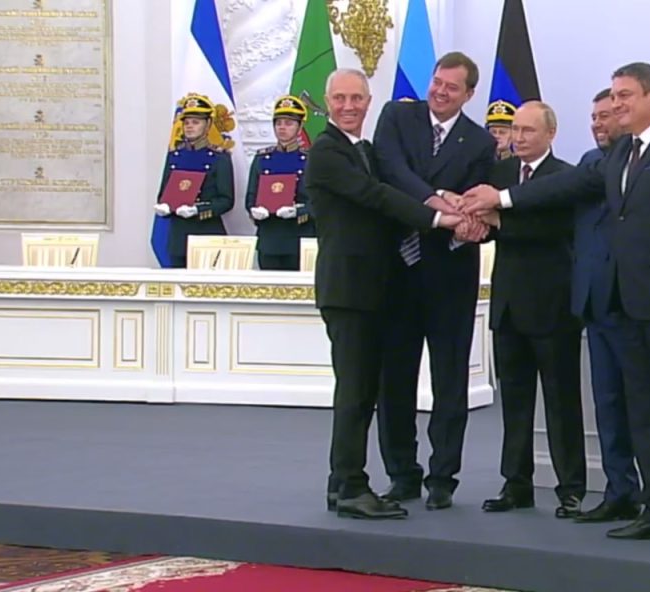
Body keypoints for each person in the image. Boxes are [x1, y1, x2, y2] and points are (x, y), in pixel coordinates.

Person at [460, 62, 650, 550]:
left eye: (625, 96)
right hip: (626, 305)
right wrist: (502, 197)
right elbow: (565, 187)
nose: (616, 104)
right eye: (614, 96)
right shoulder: (620, 152)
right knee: (643, 412)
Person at [304, 68, 462, 520]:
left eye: (357, 98)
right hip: (349, 290)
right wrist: (438, 217)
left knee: (362, 391)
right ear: (327, 102)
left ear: (369, 101)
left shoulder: (365, 151)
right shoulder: (327, 152)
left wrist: (446, 200)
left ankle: (340, 483)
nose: (349, 106)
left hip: (372, 290)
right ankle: (352, 486)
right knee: (355, 393)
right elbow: (375, 196)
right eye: (340, 98)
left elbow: (391, 191)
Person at [372, 51, 496, 511]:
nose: (440, 92)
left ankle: (443, 477)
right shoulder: (397, 117)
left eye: (451, 87)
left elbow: (478, 202)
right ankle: (402, 473)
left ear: (469, 94)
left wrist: (471, 221)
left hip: (451, 274)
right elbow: (392, 171)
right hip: (397, 272)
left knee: (450, 381)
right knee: (394, 380)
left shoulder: (480, 142)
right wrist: (437, 199)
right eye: (437, 82)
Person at [476, 101, 586, 519]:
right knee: (515, 402)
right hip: (508, 306)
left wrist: (501, 222)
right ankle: (516, 484)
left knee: (561, 402)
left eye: (527, 131)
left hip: (553, 308)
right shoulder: (500, 174)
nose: (517, 138)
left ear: (550, 134)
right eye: (514, 130)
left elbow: (555, 228)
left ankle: (571, 488)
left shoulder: (566, 177)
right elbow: (487, 225)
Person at [571, 88, 641, 524]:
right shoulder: (587, 162)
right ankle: (620, 490)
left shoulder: (635, 162)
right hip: (595, 303)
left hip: (631, 302)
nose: (598, 124)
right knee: (608, 403)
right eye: (593, 117)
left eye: (605, 116)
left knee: (642, 404)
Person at [153, 93, 235, 268]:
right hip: (178, 238)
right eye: (186, 122)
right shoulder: (175, 156)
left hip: (207, 235)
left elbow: (226, 200)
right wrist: (165, 207)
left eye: (196, 122)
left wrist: (198, 210)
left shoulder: (219, 158)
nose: (189, 126)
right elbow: (163, 195)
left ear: (208, 125)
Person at [245, 95, 314, 271]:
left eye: (289, 123)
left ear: (300, 127)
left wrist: (298, 211)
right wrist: (254, 210)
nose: (282, 128)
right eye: (278, 123)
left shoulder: (311, 160)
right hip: (269, 238)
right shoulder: (262, 158)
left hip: (298, 237)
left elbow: (319, 202)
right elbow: (251, 196)